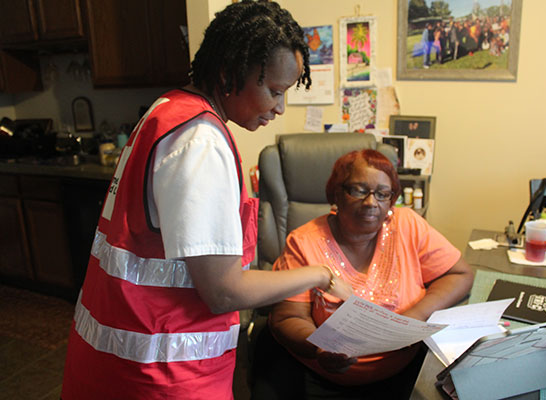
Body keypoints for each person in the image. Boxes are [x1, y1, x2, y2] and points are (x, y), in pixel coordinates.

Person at [60, 1, 352, 399]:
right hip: (163, 372)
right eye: (274, 91)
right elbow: (224, 291)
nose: (279, 108)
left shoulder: (167, 109)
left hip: (116, 359)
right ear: (229, 71)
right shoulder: (201, 142)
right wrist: (319, 274)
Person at [251, 149, 474, 400]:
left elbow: (460, 274)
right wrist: (319, 348)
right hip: (321, 378)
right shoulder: (303, 242)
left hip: (404, 372)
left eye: (382, 194)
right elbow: (287, 317)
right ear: (337, 193)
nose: (371, 202)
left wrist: (415, 317)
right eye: (358, 190)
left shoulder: (408, 224)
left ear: (392, 200)